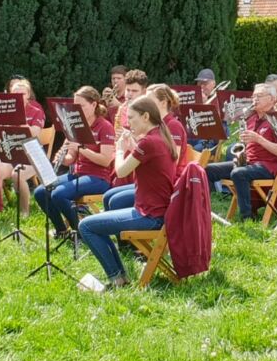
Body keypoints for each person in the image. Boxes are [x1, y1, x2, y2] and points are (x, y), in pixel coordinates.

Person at [78, 97, 179, 288]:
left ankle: (117, 278)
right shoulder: (161, 135)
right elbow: (147, 161)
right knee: (99, 219)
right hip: (157, 210)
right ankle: (119, 277)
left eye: (131, 118)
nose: (128, 123)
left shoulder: (149, 142)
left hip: (150, 216)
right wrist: (131, 145)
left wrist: (119, 149)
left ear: (146, 116)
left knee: (86, 226)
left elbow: (121, 170)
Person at [33, 86, 116, 238]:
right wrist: (62, 157)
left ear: (94, 105)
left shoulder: (105, 127)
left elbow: (105, 161)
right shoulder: (75, 124)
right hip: (78, 174)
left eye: (82, 106)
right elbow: (70, 158)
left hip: (99, 178)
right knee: (40, 191)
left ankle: (80, 232)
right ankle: (61, 230)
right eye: (75, 106)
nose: (77, 109)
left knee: (59, 194)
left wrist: (81, 148)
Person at [203, 83, 277, 221]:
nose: (255, 99)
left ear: (272, 99)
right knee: (207, 170)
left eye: (259, 96)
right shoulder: (251, 118)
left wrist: (259, 139)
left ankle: (247, 217)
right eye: (253, 96)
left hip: (268, 166)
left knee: (238, 173)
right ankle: (204, 212)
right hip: (249, 162)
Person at [104, 84, 188, 211]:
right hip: (154, 180)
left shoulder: (173, 126)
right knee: (109, 196)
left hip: (167, 184)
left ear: (163, 103)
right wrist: (134, 145)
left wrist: (122, 150)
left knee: (115, 201)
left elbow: (172, 161)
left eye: (149, 101)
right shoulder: (157, 126)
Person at [0, 76, 46, 217]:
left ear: (28, 95)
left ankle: (24, 211)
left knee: (17, 175)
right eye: (15, 94)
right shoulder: (4, 112)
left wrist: (20, 122)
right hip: (11, 151)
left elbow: (35, 134)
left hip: (31, 153)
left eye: (22, 94)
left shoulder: (36, 110)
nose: (18, 97)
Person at [112, 69, 150, 138]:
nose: (129, 94)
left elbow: (149, 138)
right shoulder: (122, 108)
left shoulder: (149, 111)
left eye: (134, 91)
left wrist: (127, 135)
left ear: (144, 92)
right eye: (128, 90)